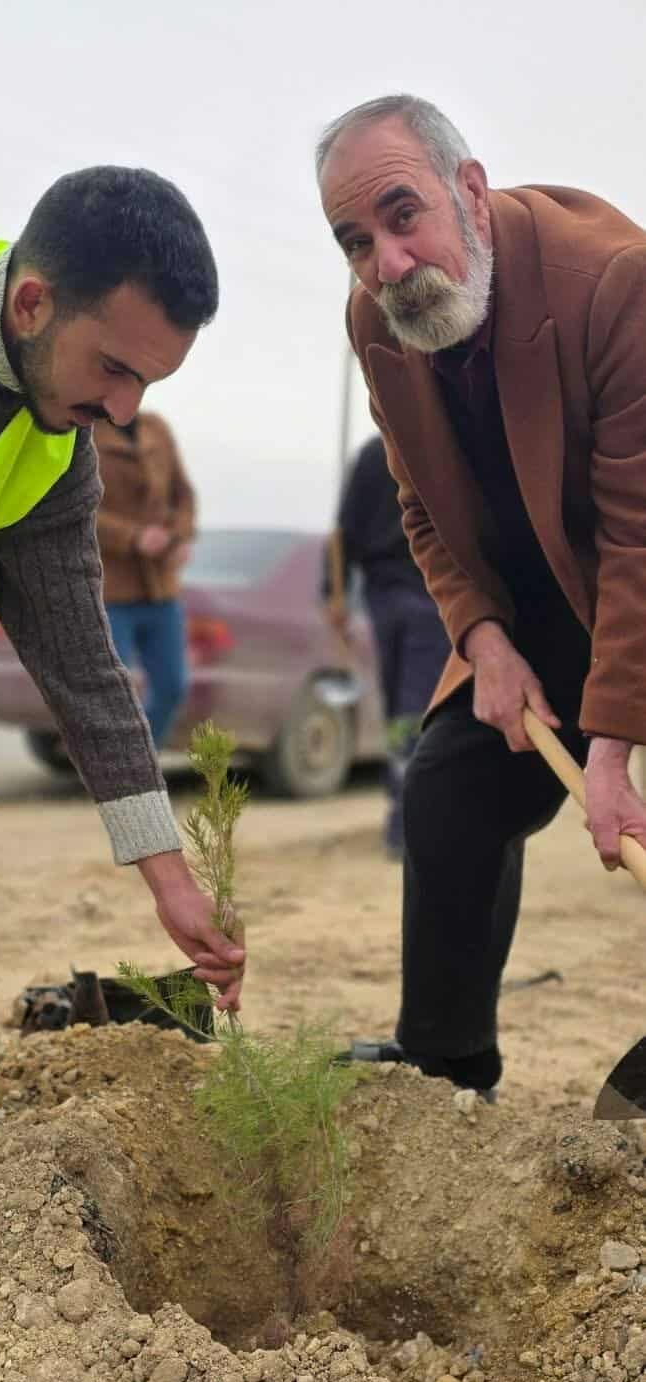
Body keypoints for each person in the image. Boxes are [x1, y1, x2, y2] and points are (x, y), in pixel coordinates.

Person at [317, 94, 646, 1097]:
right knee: (450, 789)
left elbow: (637, 536)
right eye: (355, 241)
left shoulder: (612, 282)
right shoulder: (376, 324)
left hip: (634, 574)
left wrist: (611, 745)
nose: (389, 264)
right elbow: (420, 507)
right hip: (535, 602)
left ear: (468, 189)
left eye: (402, 216)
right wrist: (486, 642)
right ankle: (448, 1065)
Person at [0, 168, 244, 1143]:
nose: (126, 409)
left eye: (148, 384)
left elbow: (85, 672)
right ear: (31, 304)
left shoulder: (56, 453)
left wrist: (171, 882)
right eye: (113, 368)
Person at [324, 432, 448, 855]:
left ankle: (404, 818)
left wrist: (334, 593)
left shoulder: (374, 452)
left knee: (401, 707)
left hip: (388, 597)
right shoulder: (434, 442)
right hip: (430, 595)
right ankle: (407, 822)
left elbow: (343, 530)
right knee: (413, 710)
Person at [95, 411, 194, 748]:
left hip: (161, 587)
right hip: (110, 591)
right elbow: (76, 507)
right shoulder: (83, 432)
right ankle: (114, 765)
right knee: (114, 694)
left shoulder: (156, 428)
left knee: (172, 685)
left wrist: (180, 537)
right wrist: (133, 537)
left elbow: (183, 495)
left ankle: (139, 760)